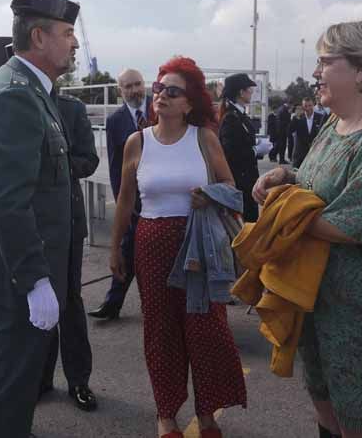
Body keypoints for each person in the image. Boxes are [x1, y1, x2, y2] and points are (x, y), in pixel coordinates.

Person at [253, 19, 362, 438]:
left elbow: (357, 222)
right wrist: (285, 175)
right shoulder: (336, 125)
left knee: (360, 416)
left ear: (361, 70)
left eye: (324, 61)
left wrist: (283, 214)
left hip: (360, 308)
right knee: (325, 405)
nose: (316, 73)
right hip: (317, 294)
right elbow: (319, 186)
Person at [110, 56, 247, 438]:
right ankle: (166, 413)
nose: (162, 96)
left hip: (199, 246)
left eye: (172, 91)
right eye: (159, 89)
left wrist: (210, 195)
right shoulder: (137, 142)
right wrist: (116, 249)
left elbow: (233, 192)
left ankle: (207, 413)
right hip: (151, 245)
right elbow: (124, 201)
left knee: (207, 330)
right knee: (161, 332)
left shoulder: (204, 138)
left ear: (189, 102)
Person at [0, 0, 77, 438]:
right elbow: (8, 201)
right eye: (67, 33)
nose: (74, 42)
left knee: (13, 386)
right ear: (39, 36)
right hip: (20, 275)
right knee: (6, 385)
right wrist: (34, 279)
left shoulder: (31, 89)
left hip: (24, 269)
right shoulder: (15, 95)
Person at [41, 86, 100, 411]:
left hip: (67, 217)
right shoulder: (18, 103)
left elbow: (88, 159)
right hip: (33, 220)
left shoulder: (71, 109)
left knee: (70, 300)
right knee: (36, 300)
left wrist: (51, 167)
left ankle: (78, 379)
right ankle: (41, 376)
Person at [88, 69, 151, 321]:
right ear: (120, 90)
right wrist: (121, 199)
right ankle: (113, 304)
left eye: (138, 84)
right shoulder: (115, 122)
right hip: (133, 202)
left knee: (140, 254)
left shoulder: (161, 112)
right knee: (127, 250)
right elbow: (116, 168)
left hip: (159, 197)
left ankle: (118, 304)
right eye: (129, 86)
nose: (135, 90)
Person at [217, 72, 269, 223]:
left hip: (247, 181)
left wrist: (258, 145)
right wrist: (256, 150)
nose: (252, 93)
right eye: (249, 89)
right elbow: (230, 153)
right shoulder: (231, 117)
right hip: (240, 183)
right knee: (244, 227)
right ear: (241, 92)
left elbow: (242, 142)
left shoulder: (239, 115)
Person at [289, 96, 326, 168]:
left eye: (310, 105)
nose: (308, 108)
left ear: (313, 105)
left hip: (315, 155)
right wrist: (295, 118)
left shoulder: (321, 117)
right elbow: (289, 131)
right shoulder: (298, 118)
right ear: (303, 107)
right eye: (305, 106)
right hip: (299, 155)